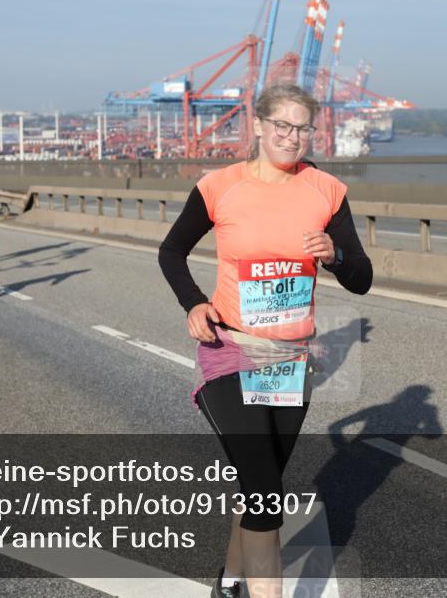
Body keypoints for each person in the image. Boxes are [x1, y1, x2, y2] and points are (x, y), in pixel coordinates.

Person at [158, 84, 372, 598]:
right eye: (282, 125)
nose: (292, 137)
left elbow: (361, 277)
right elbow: (171, 252)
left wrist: (335, 256)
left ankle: (230, 580)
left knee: (262, 482)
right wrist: (193, 303)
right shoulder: (219, 187)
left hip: (290, 360)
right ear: (258, 125)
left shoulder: (326, 191)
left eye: (302, 128)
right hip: (231, 350)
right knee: (264, 490)